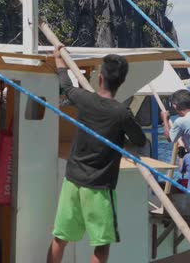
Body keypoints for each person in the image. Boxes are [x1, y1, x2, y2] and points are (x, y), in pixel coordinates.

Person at [47, 45, 147, 263]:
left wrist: (59, 60)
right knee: (101, 246)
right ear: (121, 82)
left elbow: (65, 85)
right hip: (99, 187)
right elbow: (140, 140)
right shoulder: (121, 113)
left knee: (60, 237)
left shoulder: (84, 99)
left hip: (72, 180)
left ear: (100, 78)